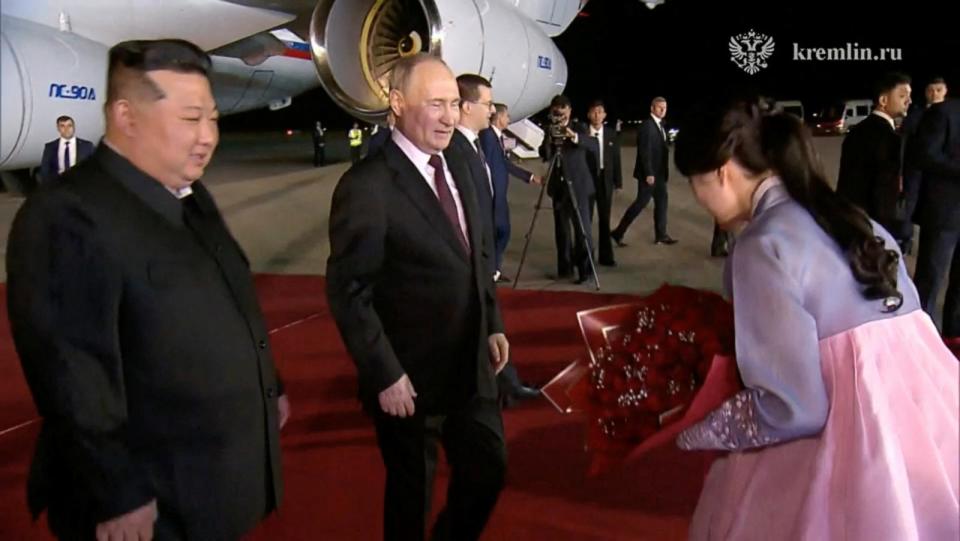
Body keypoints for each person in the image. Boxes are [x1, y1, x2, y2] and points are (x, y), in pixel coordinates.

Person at [6, 39, 289, 540]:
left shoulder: (189, 195)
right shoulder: (68, 216)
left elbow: (229, 297)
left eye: (214, 119)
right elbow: (72, 372)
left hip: (205, 483)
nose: (207, 137)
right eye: (189, 119)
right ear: (126, 116)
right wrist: (117, 492)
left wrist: (270, 387)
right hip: (150, 502)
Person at [672, 97, 958, 540]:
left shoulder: (762, 245)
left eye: (693, 183)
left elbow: (794, 408)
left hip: (841, 452)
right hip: (924, 438)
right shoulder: (855, 220)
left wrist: (697, 426)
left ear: (721, 171)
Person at [326, 53, 509, 541]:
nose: (450, 116)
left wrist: (492, 321)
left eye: (454, 103)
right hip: (408, 380)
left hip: (469, 363)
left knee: (488, 470)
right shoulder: (367, 185)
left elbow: (477, 256)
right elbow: (349, 290)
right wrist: (384, 372)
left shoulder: (463, 164)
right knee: (412, 499)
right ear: (398, 102)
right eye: (436, 104)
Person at [836, 72, 912, 247]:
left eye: (909, 95)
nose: (909, 100)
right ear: (883, 100)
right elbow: (885, 191)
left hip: (852, 218)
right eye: (902, 95)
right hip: (876, 227)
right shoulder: (889, 137)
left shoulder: (856, 131)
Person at [912, 97, 960, 338]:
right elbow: (924, 154)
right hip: (944, 212)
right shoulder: (944, 113)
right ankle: (923, 340)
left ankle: (955, 336)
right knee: (931, 278)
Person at [479, 103, 540, 282]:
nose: (509, 119)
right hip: (493, 195)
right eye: (507, 116)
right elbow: (488, 167)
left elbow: (504, 164)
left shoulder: (496, 137)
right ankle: (491, 271)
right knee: (500, 232)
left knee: (501, 232)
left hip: (499, 195)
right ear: (498, 117)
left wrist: (528, 176)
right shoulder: (488, 137)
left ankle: (494, 270)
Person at [540, 95, 595, 283]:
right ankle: (565, 269)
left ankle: (585, 271)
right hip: (559, 188)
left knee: (582, 231)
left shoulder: (579, 127)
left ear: (570, 111)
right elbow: (545, 155)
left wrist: (574, 136)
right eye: (556, 112)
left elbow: (592, 145)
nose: (560, 116)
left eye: (563, 112)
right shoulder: (550, 128)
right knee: (561, 231)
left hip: (578, 186)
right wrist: (549, 137)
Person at [611, 97, 677, 246]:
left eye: (664, 108)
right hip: (650, 175)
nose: (662, 110)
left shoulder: (660, 125)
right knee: (640, 203)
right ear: (652, 108)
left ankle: (661, 235)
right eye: (659, 107)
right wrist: (648, 173)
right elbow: (644, 152)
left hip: (659, 174)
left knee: (662, 202)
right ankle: (618, 232)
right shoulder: (647, 126)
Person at [451, 74, 496, 277]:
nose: (492, 110)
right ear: (467, 107)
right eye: (488, 104)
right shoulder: (454, 149)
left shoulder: (474, 145)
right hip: (472, 260)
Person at [582, 100, 622, 266]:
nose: (597, 115)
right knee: (587, 219)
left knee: (605, 219)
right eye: (594, 111)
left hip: (605, 179)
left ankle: (606, 256)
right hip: (588, 179)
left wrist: (618, 182)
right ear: (589, 114)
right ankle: (585, 257)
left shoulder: (611, 134)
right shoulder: (583, 133)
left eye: (600, 111)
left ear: (605, 115)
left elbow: (616, 159)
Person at [39, 115, 95, 184]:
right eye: (62, 126)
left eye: (69, 125)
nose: (66, 129)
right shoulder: (50, 147)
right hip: (58, 187)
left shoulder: (87, 146)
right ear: (58, 128)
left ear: (74, 127)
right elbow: (45, 171)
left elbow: (94, 169)